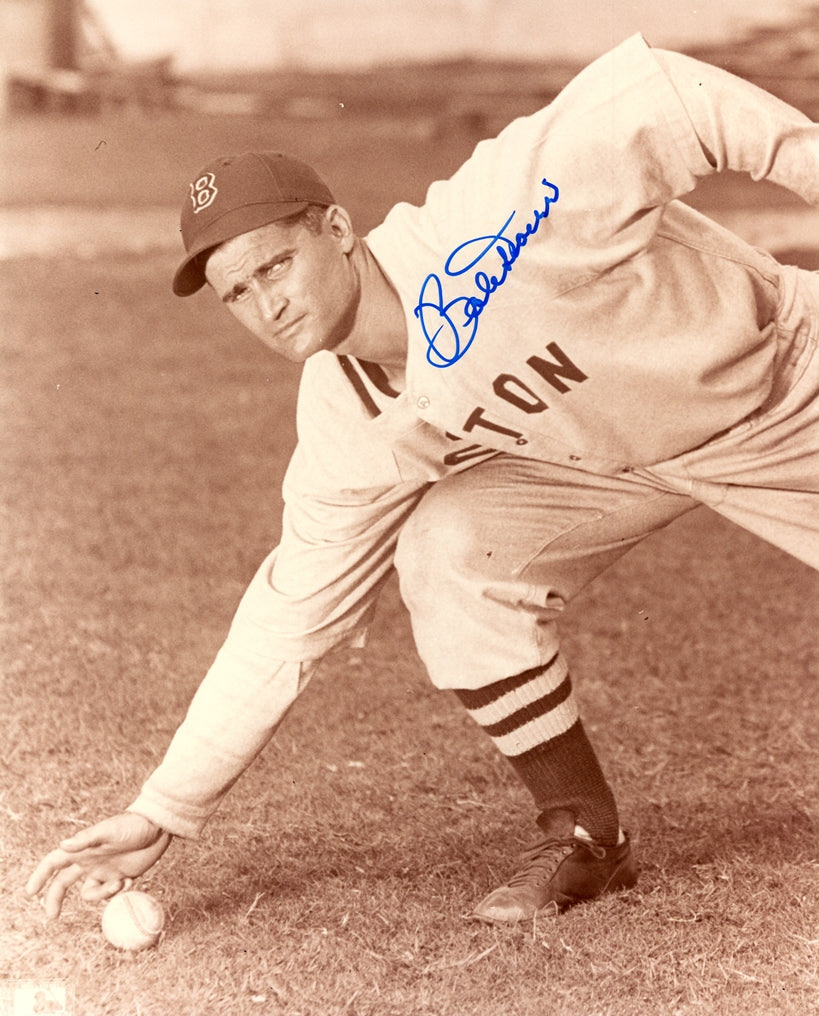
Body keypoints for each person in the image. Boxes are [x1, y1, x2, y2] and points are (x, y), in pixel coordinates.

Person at [26, 33, 818, 926]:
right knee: (450, 551)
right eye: (237, 293)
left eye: (275, 265)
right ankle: (583, 836)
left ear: (335, 229)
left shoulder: (492, 219)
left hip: (783, 385)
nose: (266, 305)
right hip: (616, 458)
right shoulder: (345, 413)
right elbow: (292, 616)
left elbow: (664, 93)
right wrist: (164, 808)